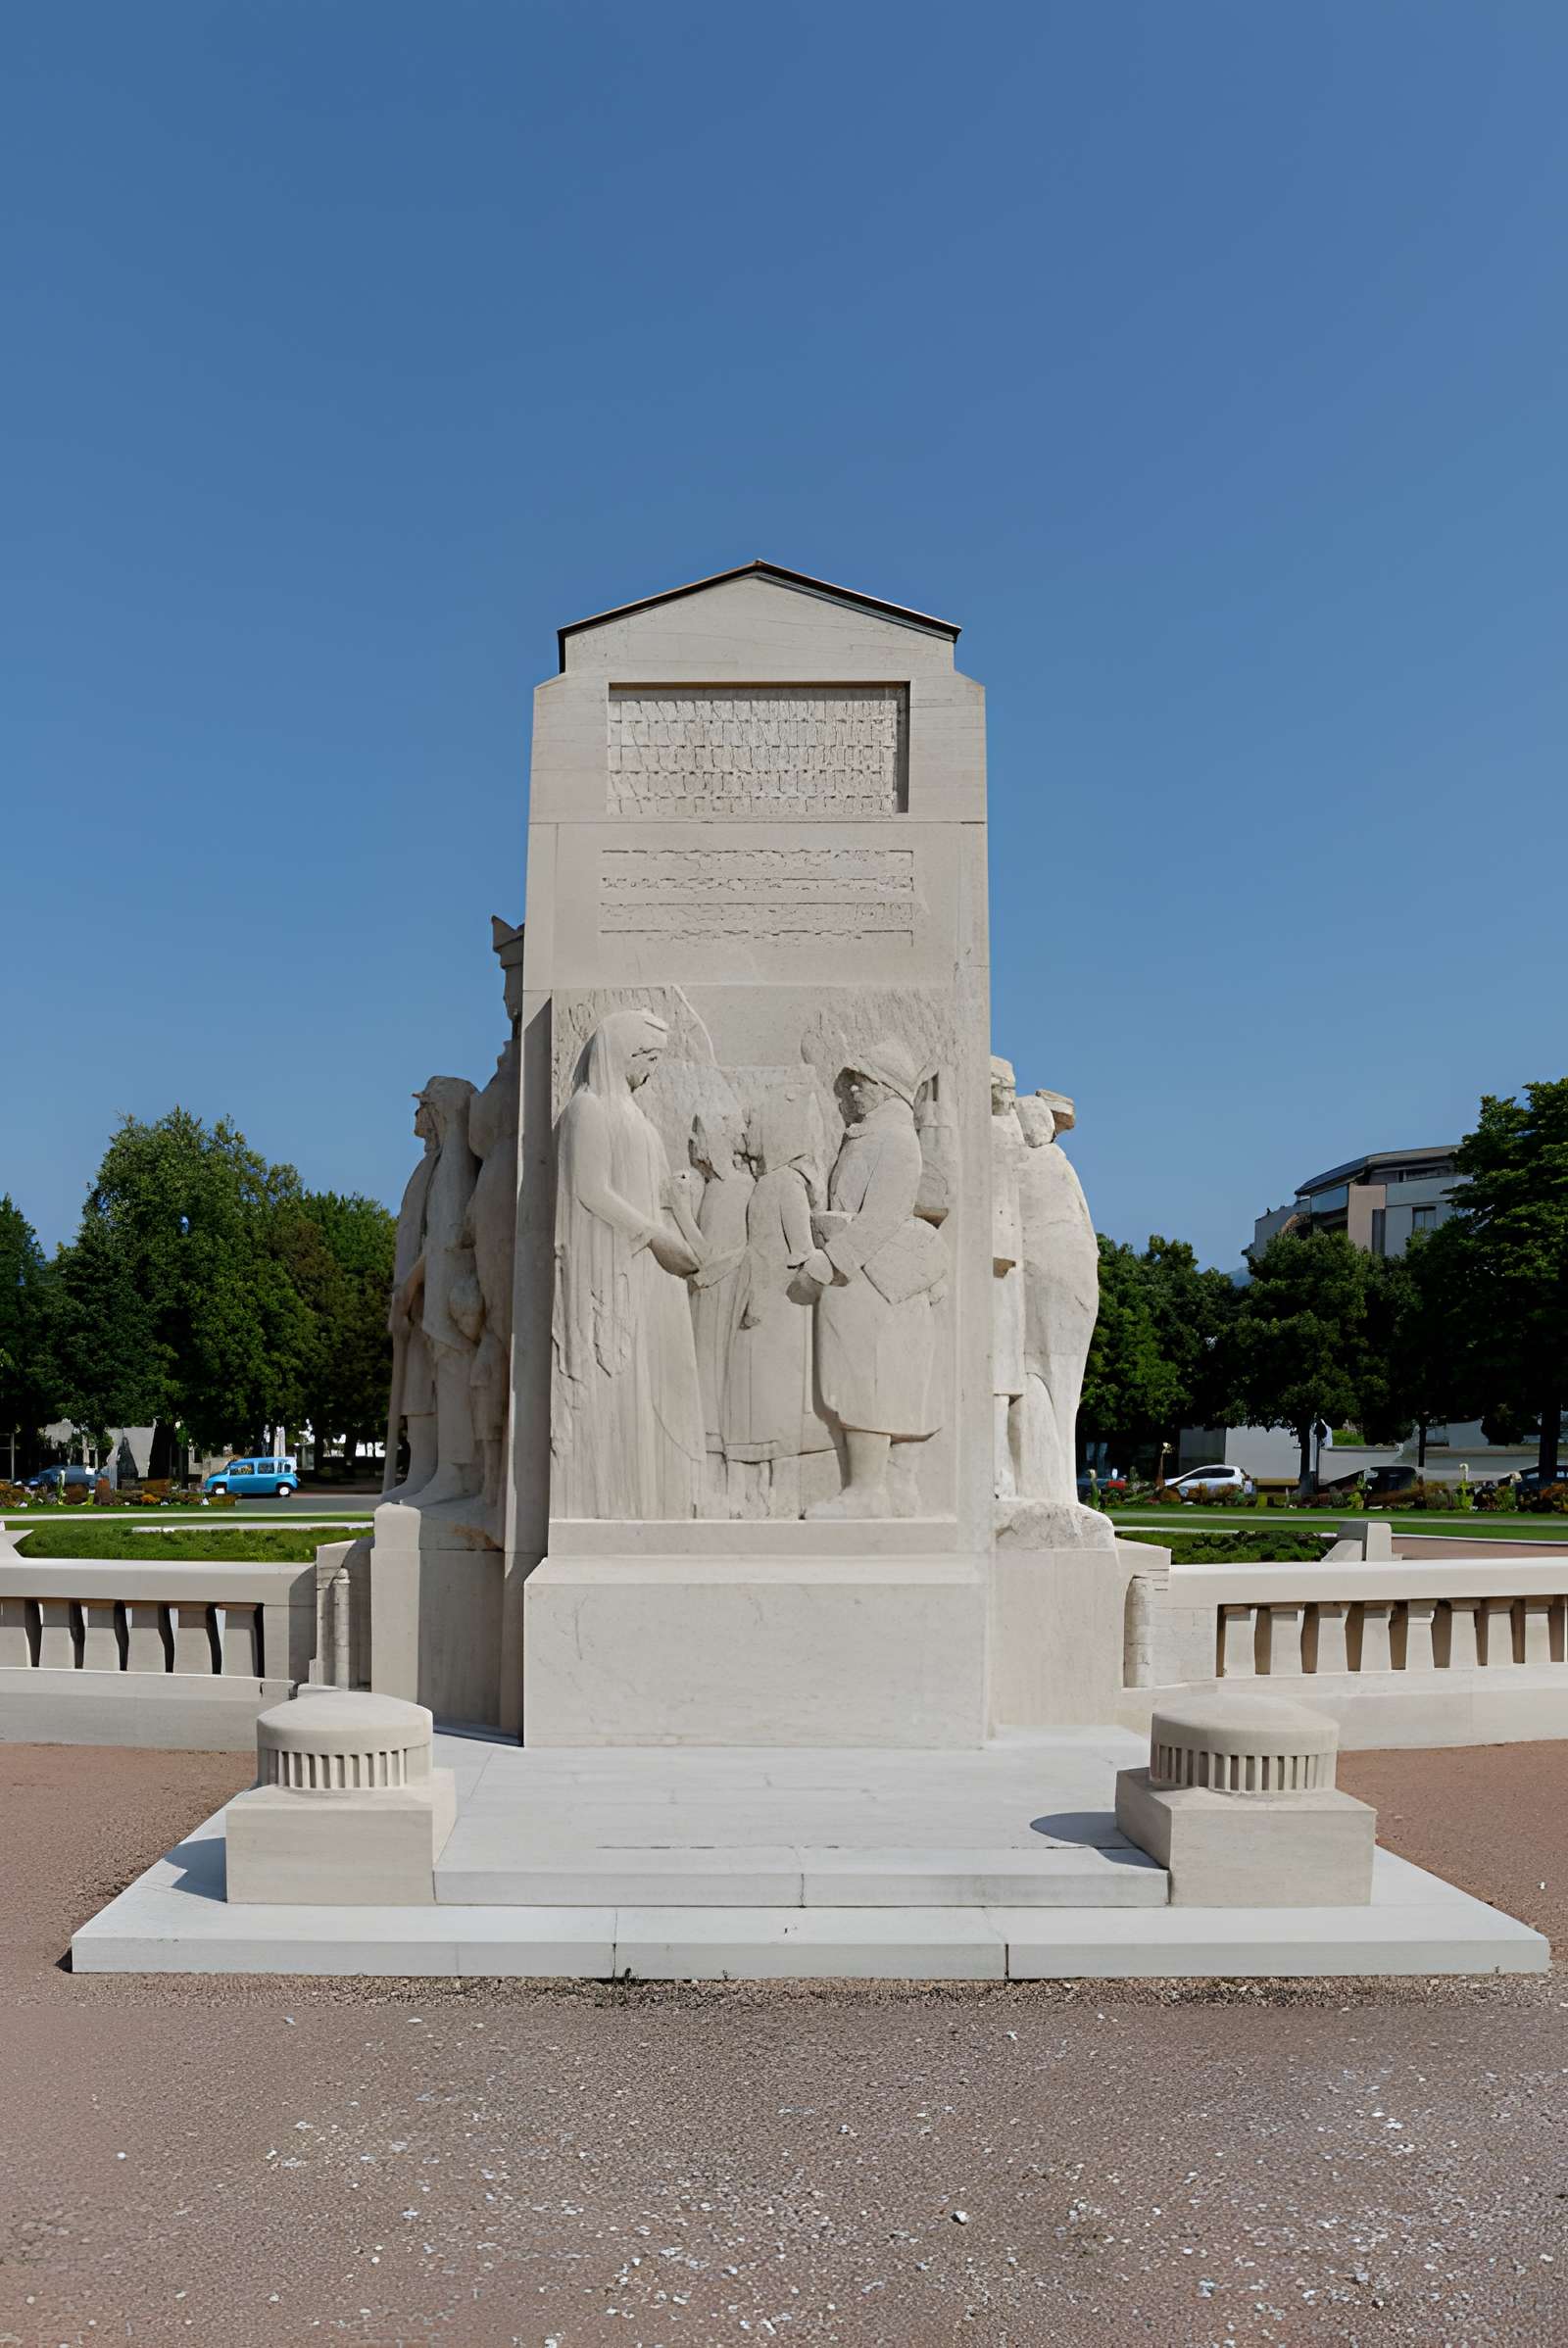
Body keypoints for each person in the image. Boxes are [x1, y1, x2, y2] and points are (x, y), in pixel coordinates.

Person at [551, 1008, 705, 1519]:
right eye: (648, 1057)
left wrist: (679, 1211)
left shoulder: (639, 1119)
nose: (651, 1070)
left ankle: (663, 1499)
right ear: (624, 1053)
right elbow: (589, 1191)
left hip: (653, 1272)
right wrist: (653, 1235)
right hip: (618, 1271)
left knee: (662, 1387)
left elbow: (657, 1192)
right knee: (620, 1390)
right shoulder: (587, 1111)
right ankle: (615, 1503)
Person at [800, 1039, 946, 1519]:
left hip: (871, 1280)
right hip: (862, 1280)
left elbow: (882, 1216)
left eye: (860, 1083)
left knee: (869, 1381)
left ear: (885, 1088)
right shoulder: (868, 1136)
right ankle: (890, 1492)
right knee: (866, 1378)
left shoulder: (894, 1141)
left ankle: (869, 1490)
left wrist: (831, 1260)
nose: (851, 1093)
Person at [723, 1084, 824, 1517]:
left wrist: (763, 1297)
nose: (747, 1132)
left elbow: (799, 1252)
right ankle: (750, 1491)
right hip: (755, 1304)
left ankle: (781, 1491)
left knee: (773, 1402)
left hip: (776, 1308)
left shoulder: (785, 1186)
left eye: (753, 1125)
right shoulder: (768, 1182)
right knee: (749, 1400)